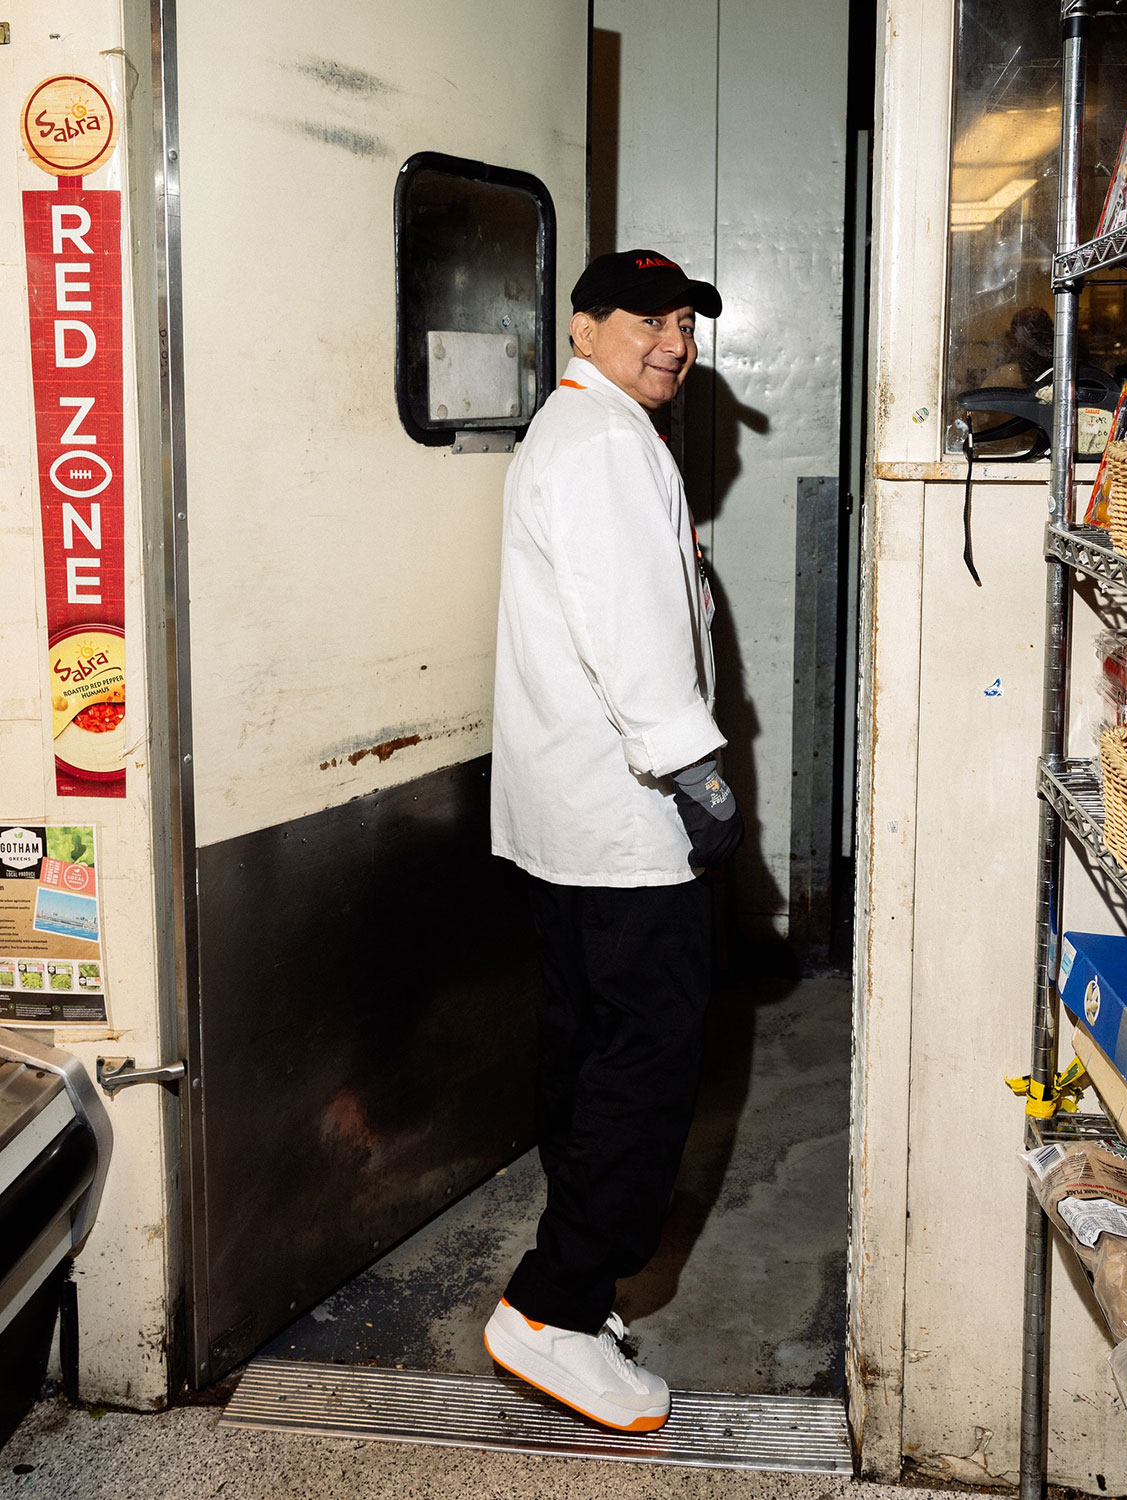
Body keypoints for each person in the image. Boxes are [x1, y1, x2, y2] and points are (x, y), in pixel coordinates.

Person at [484, 248, 743, 1432]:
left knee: (587, 1053)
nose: (674, 341)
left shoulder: (583, 429)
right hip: (627, 824)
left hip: (573, 822)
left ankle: (572, 1293)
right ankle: (554, 1306)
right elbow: (629, 630)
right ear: (583, 327)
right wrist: (694, 770)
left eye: (685, 320)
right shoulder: (601, 442)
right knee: (645, 1065)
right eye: (648, 318)